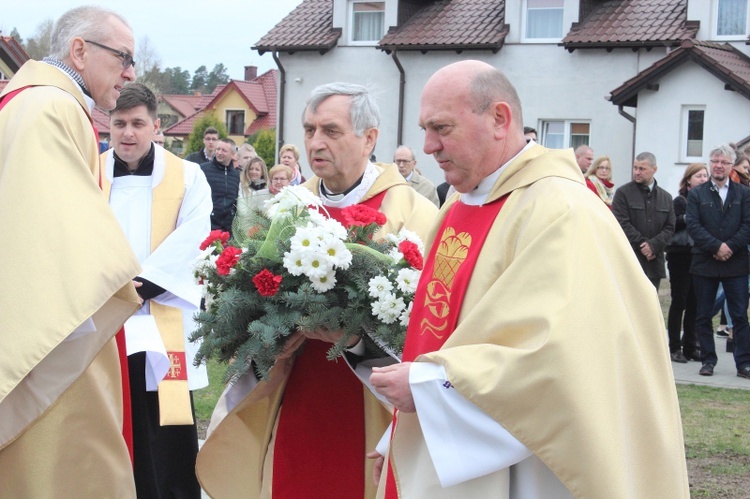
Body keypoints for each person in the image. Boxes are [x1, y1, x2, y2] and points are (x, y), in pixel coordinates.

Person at [368, 60, 688, 498]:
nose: (428, 146)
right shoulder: (459, 205)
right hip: (454, 444)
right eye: (425, 128)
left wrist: (426, 389)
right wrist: (403, 436)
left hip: (532, 466)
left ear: (499, 119)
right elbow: (440, 332)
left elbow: (563, 361)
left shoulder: (561, 210)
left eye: (442, 127)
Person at [196, 81, 438, 499]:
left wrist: (359, 340)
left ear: (369, 138)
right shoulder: (286, 207)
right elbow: (249, 307)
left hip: (373, 405)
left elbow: (430, 327)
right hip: (296, 391)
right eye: (309, 131)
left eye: (331, 131)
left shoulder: (412, 212)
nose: (316, 142)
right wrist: (268, 339)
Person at [0, 6, 142, 495]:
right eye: (123, 57)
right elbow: (51, 241)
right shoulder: (50, 107)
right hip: (52, 332)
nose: (130, 72)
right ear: (79, 51)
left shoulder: (36, 102)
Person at [102, 83, 211, 498]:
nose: (128, 133)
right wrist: (113, 286)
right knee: (114, 415)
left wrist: (146, 283)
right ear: (108, 125)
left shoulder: (188, 176)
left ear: (156, 125)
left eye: (137, 124)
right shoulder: (89, 174)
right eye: (119, 124)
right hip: (106, 316)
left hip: (162, 311)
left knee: (168, 424)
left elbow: (195, 232)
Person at [686, 144, 750, 379]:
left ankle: (743, 363)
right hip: (705, 262)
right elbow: (693, 226)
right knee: (703, 315)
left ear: (731, 166)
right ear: (709, 163)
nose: (718, 166)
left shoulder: (744, 194)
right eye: (714, 161)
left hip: (736, 263)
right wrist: (715, 247)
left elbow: (748, 225)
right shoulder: (696, 194)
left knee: (740, 315)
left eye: (723, 162)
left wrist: (729, 247)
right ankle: (708, 361)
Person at [612, 152, 675, 289]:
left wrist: (653, 246)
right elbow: (621, 223)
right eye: (635, 168)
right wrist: (643, 245)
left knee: (650, 306)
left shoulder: (666, 197)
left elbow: (670, 227)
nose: (637, 172)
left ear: (654, 169)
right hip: (630, 261)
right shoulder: (623, 193)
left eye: (642, 169)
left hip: (654, 263)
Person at [666, 163, 708, 363]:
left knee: (695, 304)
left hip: (699, 256)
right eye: (699, 175)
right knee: (679, 302)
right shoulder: (680, 201)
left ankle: (690, 346)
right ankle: (674, 347)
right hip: (680, 256)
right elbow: (674, 223)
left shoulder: (707, 200)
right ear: (689, 179)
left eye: (705, 176)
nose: (703, 179)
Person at [201, 137, 240, 234]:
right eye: (218, 149)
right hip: (208, 224)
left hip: (228, 228)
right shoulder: (203, 170)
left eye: (224, 150)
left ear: (232, 154)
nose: (219, 152)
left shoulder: (236, 175)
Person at [236, 155, 272, 220]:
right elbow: (241, 207)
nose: (253, 172)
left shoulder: (267, 188)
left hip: (263, 224)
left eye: (257, 170)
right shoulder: (242, 186)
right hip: (245, 222)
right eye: (251, 169)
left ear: (262, 172)